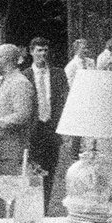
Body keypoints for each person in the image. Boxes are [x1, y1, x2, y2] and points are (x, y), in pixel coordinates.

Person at [24, 36, 67, 211]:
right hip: (33, 130)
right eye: (39, 50)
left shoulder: (58, 74)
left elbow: (65, 100)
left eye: (45, 50)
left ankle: (45, 209)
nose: (43, 54)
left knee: (49, 172)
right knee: (33, 171)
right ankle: (33, 209)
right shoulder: (24, 76)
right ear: (31, 52)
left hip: (51, 128)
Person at [0, 43, 35, 175]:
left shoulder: (20, 83)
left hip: (11, 150)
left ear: (5, 59)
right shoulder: (2, 82)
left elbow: (22, 115)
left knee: (9, 191)